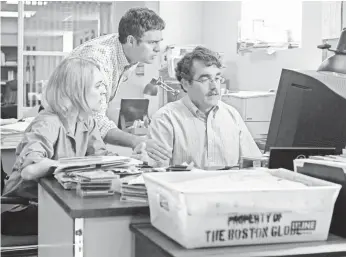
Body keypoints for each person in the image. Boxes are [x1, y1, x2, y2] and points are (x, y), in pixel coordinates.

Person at [1, 57, 117, 236]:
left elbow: (101, 157)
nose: (104, 91)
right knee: (93, 228)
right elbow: (29, 171)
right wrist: (68, 166)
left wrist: (132, 161)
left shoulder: (87, 121)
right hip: (24, 206)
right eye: (98, 85)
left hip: (55, 202)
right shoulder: (49, 122)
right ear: (75, 91)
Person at [68, 7, 171, 163]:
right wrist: (135, 141)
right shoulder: (98, 61)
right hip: (66, 129)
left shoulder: (130, 53)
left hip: (83, 127)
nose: (158, 48)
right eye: (152, 42)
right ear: (131, 40)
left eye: (159, 42)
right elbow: (95, 120)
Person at [148, 46, 262, 169]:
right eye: (205, 79)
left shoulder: (232, 115)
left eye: (217, 78)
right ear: (186, 84)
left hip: (228, 186)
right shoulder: (165, 119)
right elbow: (158, 174)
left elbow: (253, 165)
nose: (214, 86)